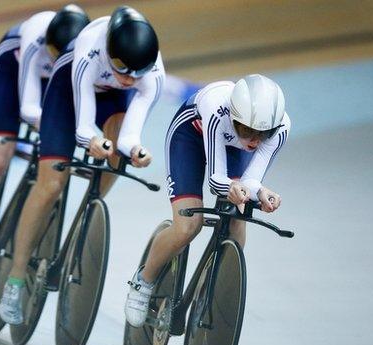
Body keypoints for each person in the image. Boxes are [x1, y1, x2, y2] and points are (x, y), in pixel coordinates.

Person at [0, 5, 165, 325]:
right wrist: (92, 141)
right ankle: (16, 278)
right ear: (109, 52)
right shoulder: (90, 46)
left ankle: (88, 210)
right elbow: (83, 125)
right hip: (67, 92)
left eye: (135, 73)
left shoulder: (152, 72)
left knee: (116, 155)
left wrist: (136, 150)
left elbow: (130, 135)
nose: (128, 78)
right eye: (120, 67)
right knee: (50, 185)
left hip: (112, 100)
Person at [0, 4, 91, 295]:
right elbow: (29, 106)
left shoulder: (82, 54)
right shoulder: (34, 38)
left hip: (56, 88)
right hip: (13, 77)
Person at [124, 74, 292, 327]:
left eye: (263, 134)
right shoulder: (217, 107)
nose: (255, 141)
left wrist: (261, 193)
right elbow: (216, 180)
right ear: (234, 117)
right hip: (189, 138)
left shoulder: (281, 128)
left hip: (232, 150)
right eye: (247, 130)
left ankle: (208, 291)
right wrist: (235, 187)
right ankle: (143, 281)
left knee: (238, 221)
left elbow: (250, 182)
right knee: (188, 226)